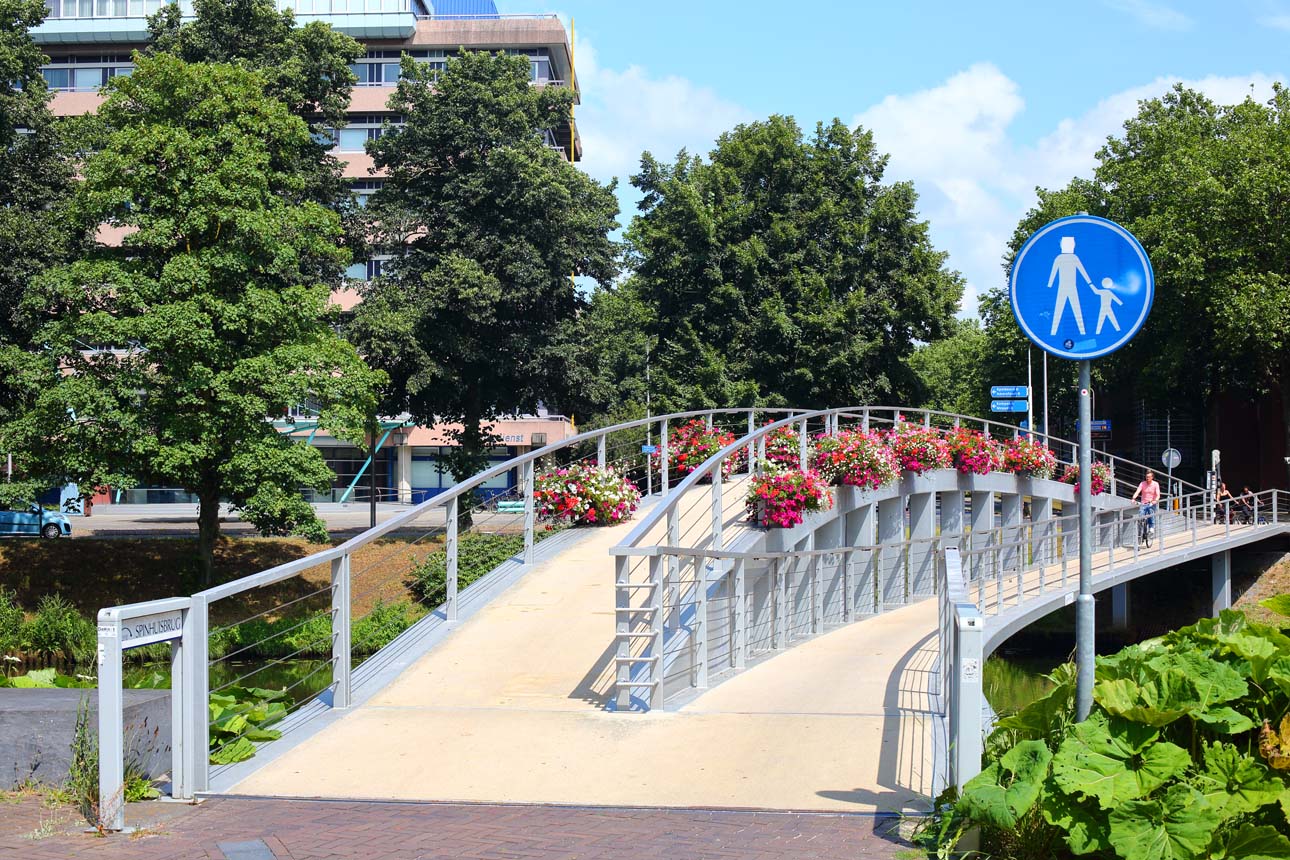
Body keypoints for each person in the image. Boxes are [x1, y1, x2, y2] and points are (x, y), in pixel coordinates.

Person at [1132, 470, 1160, 539]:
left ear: (1152, 477)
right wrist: (1133, 498)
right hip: (1143, 503)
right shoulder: (1142, 483)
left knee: (1150, 512)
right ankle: (1140, 533)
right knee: (1141, 515)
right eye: (1146, 477)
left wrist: (1155, 500)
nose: (1147, 478)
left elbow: (1158, 494)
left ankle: (1151, 528)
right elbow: (1137, 491)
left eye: (1149, 477)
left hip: (1151, 503)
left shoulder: (1155, 484)